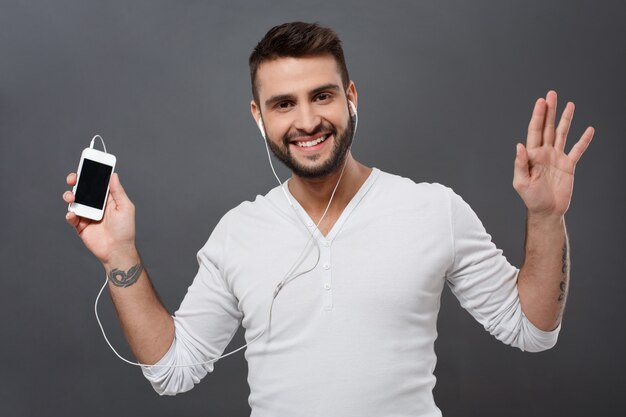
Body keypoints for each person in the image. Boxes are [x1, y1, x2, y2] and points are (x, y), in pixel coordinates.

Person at [62, 22, 594, 417]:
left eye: (322, 96)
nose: (308, 121)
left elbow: (532, 330)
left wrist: (546, 217)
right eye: (283, 104)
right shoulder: (238, 233)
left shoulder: (434, 209)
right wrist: (121, 256)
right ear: (258, 115)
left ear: (351, 98)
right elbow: (172, 371)